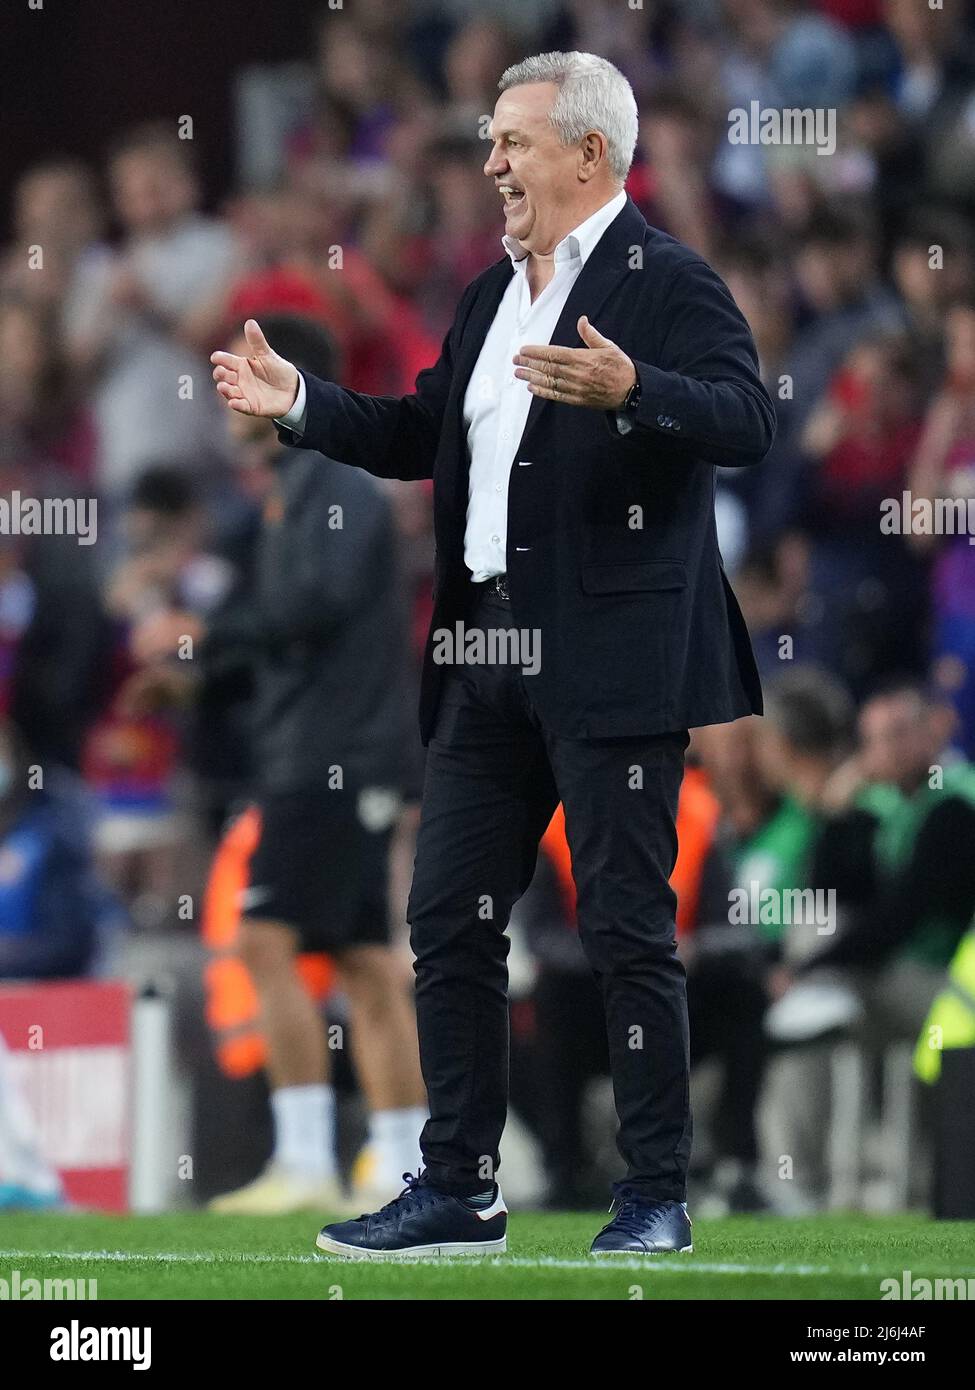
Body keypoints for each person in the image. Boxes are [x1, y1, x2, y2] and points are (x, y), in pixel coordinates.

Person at [211, 51, 775, 1258]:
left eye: (512, 141)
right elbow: (421, 432)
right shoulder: (488, 297)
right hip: (481, 655)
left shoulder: (667, 281)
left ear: (589, 152)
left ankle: (655, 1192)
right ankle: (458, 1182)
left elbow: (749, 417)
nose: (491, 164)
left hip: (614, 659)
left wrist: (638, 391)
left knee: (626, 926)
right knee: (448, 918)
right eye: (490, 140)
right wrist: (301, 401)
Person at [138, 315, 426, 1213]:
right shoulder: (290, 489)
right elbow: (299, 635)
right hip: (330, 749)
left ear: (286, 377)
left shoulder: (331, 481)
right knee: (363, 960)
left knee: (266, 938)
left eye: (240, 370)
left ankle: (306, 1163)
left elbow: (315, 604)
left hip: (332, 757)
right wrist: (202, 677)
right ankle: (402, 1159)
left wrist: (204, 636)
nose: (225, 391)